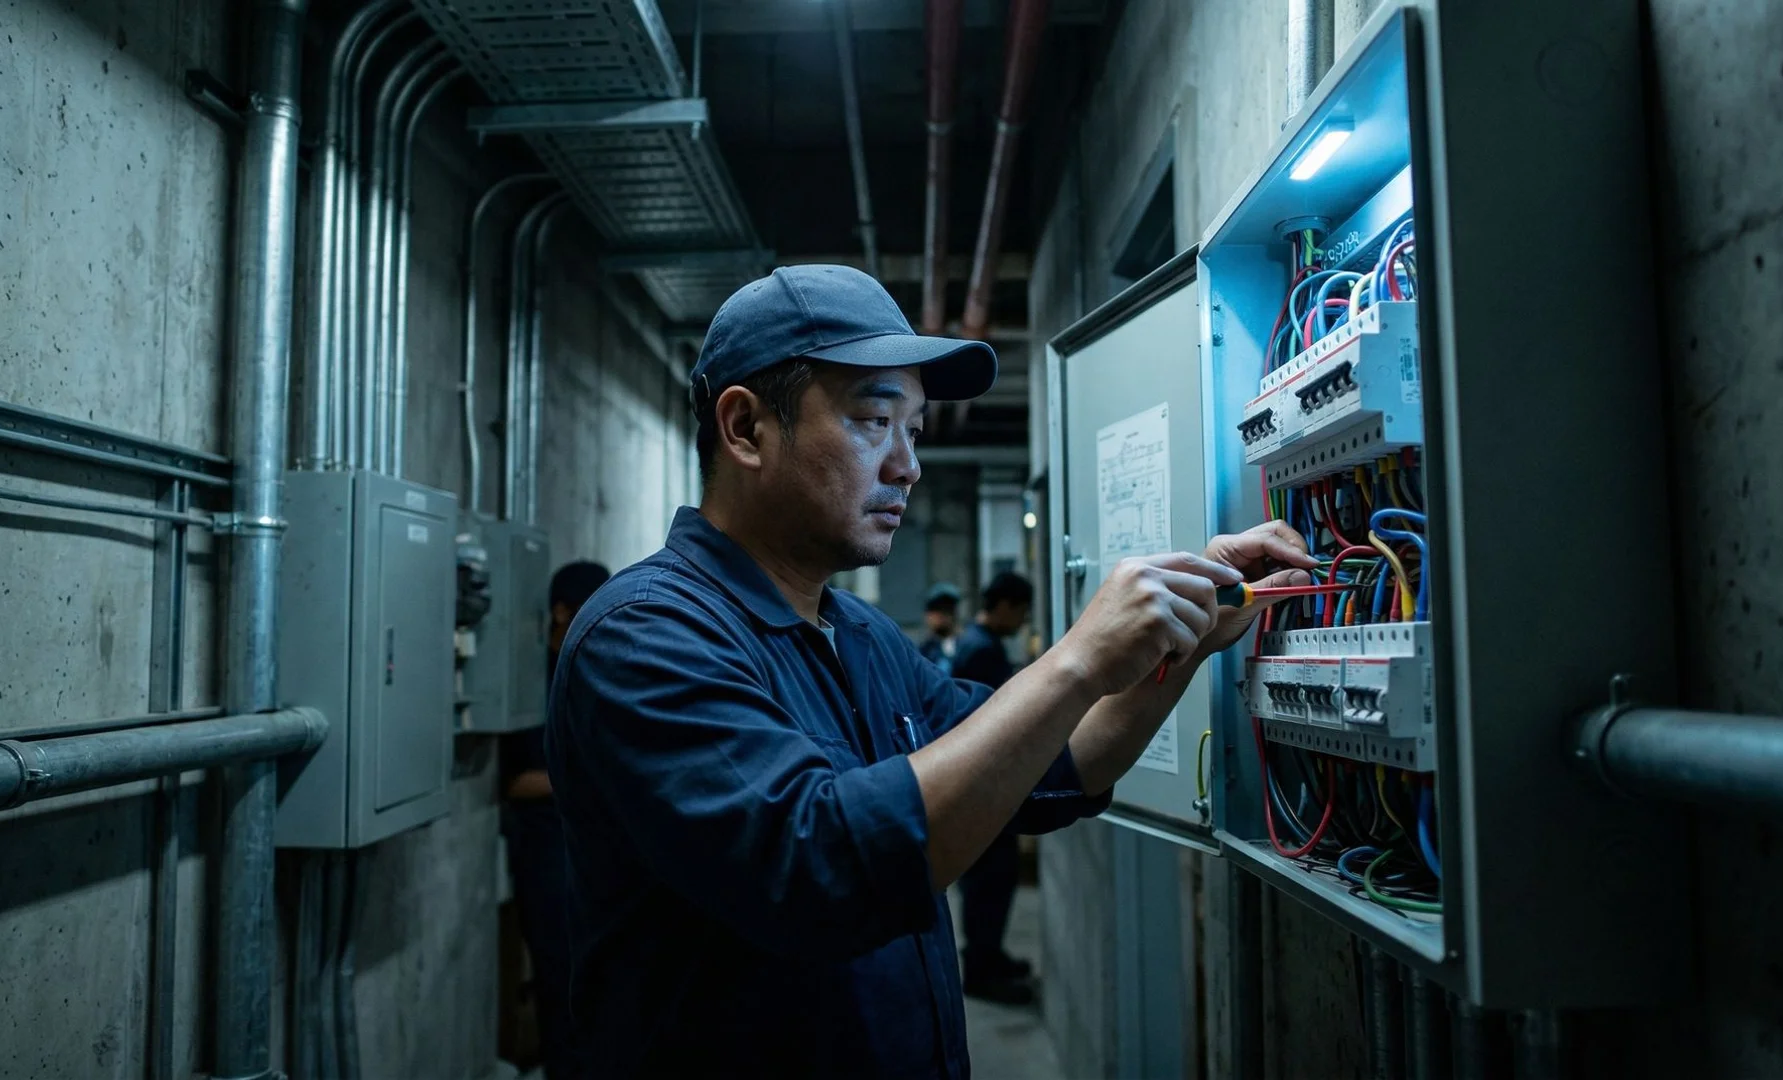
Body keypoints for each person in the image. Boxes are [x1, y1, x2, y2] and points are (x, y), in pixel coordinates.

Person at [545, 264, 1313, 1078]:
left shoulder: (860, 635)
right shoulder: (645, 636)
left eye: (913, 429)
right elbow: (822, 869)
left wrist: (1184, 627)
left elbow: (1054, 762)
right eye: (875, 419)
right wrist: (1080, 656)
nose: (907, 464)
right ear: (745, 429)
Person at [499, 560, 611, 1080]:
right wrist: (596, 777)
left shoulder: (593, 667)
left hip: (589, 854)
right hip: (543, 853)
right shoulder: (526, 682)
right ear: (560, 612)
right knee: (559, 977)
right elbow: (515, 781)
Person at [949, 571, 1038, 1004]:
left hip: (982, 783)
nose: (1022, 621)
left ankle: (990, 957)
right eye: (1020, 611)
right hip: (984, 784)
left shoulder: (976, 642)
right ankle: (982, 970)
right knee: (988, 883)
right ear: (1003, 605)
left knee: (990, 883)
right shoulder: (981, 649)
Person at [919, 582, 962, 675]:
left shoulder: (966, 648)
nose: (941, 614)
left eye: (947, 608)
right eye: (936, 608)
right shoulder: (921, 652)